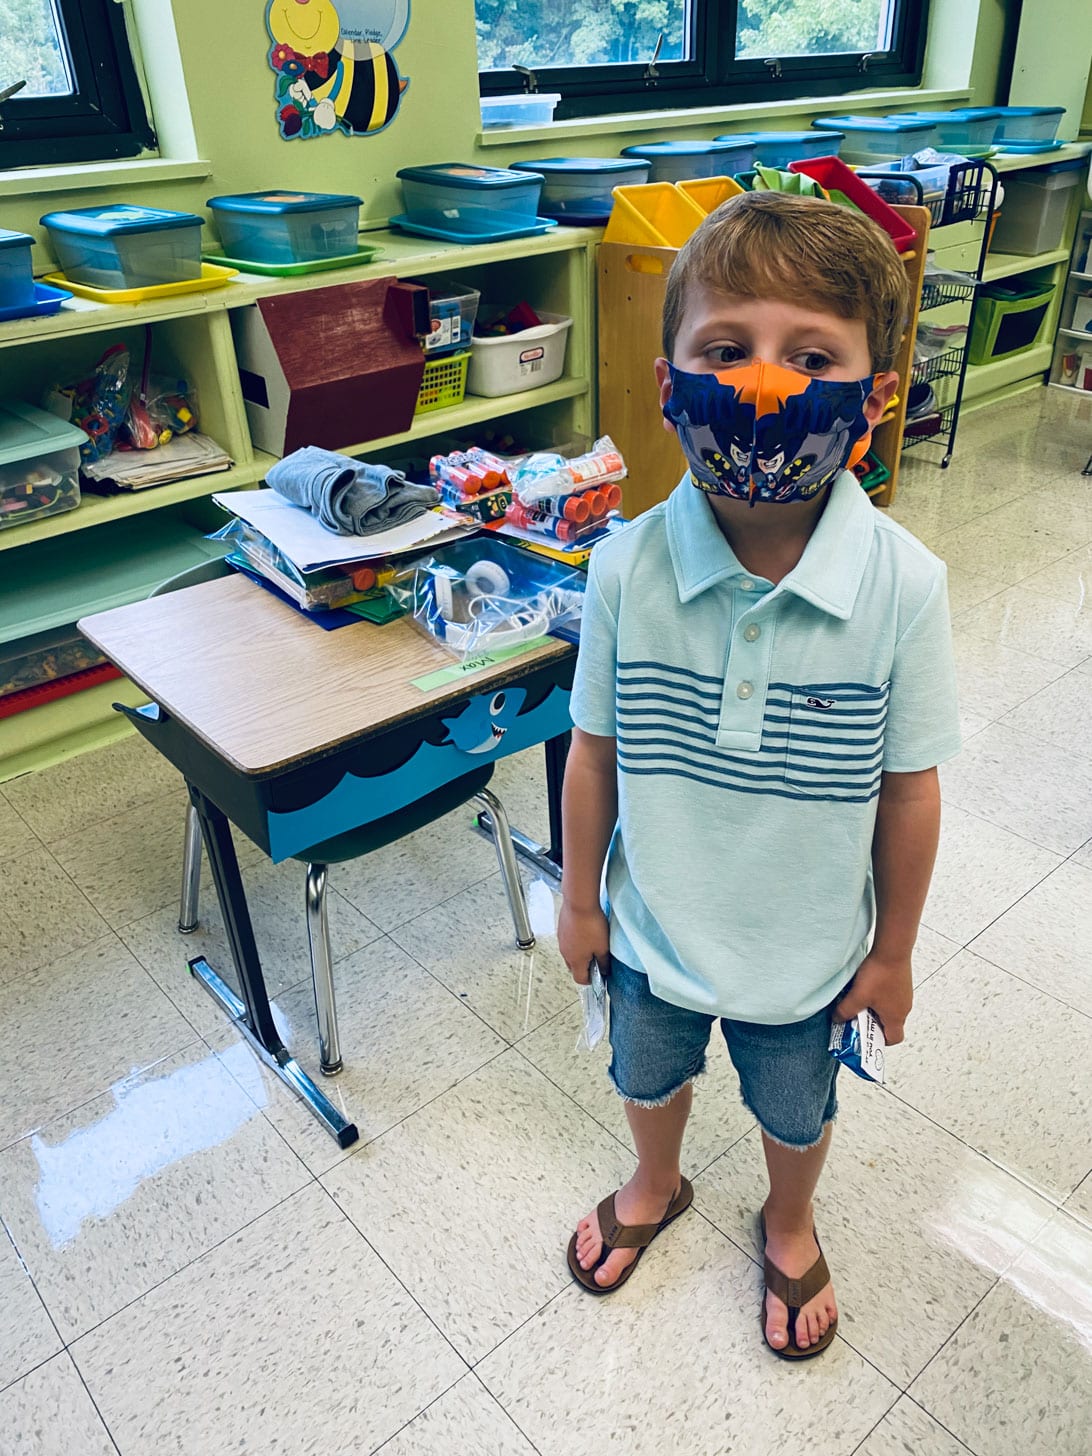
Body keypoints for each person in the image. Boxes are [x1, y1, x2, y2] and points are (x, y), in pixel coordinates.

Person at [559, 190, 961, 1360]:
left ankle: (789, 1219)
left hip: (809, 956)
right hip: (653, 931)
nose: (769, 385)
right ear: (669, 381)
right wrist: (579, 899)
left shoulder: (905, 586)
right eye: (727, 350)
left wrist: (894, 951)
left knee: (798, 1110)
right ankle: (655, 1179)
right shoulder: (623, 569)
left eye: (814, 357)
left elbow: (910, 790)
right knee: (647, 1077)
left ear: (875, 397)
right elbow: (594, 749)